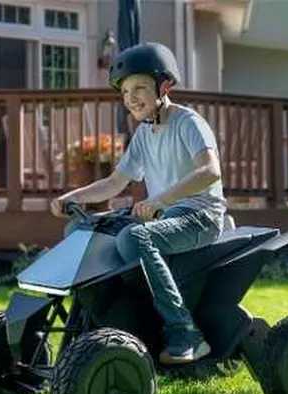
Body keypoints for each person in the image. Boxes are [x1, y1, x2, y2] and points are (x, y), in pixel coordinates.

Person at [49, 43, 226, 365]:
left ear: (164, 86)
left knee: (135, 237)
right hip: (164, 214)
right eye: (125, 91)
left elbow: (210, 171)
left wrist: (160, 199)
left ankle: (186, 333)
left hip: (201, 215)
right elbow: (116, 182)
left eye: (140, 87)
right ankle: (108, 319)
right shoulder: (144, 133)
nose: (131, 97)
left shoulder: (188, 122)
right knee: (81, 227)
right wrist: (73, 197)